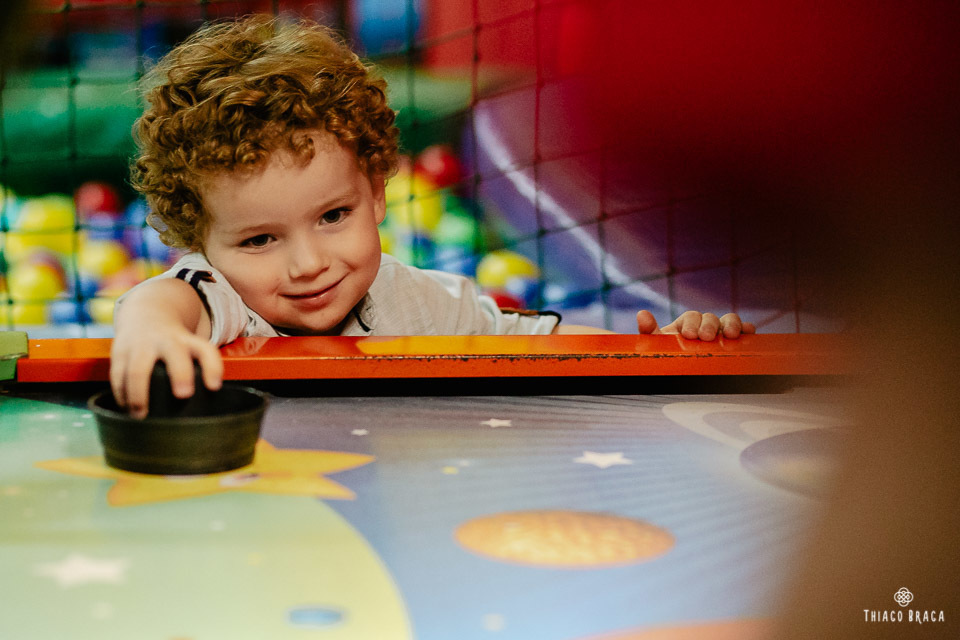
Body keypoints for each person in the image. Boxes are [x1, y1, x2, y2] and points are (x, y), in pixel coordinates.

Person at [111, 14, 754, 419]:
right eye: (258, 239)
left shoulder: (426, 303)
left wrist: (665, 347)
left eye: (334, 215)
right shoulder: (226, 301)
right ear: (202, 242)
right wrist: (152, 333)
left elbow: (550, 350)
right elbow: (164, 302)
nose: (308, 265)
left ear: (378, 192)